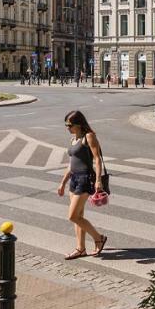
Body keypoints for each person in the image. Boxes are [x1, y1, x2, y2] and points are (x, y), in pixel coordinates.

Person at [56, 110, 108, 260]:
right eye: (66, 125)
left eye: (69, 125)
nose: (67, 128)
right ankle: (80, 248)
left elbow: (97, 159)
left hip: (85, 179)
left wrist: (98, 180)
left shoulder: (89, 137)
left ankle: (99, 238)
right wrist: (63, 183)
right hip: (74, 179)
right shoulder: (73, 139)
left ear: (78, 124)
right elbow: (71, 164)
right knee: (79, 216)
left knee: (72, 216)